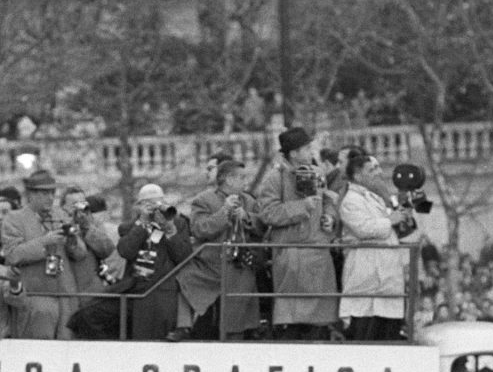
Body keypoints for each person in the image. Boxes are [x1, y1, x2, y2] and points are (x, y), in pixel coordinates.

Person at [255, 127, 340, 340]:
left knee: (320, 323)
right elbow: (267, 213)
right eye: (306, 148)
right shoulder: (274, 178)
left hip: (319, 253)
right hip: (292, 254)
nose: (311, 151)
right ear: (293, 153)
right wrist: (302, 207)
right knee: (292, 322)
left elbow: (328, 200)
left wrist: (330, 218)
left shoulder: (318, 172)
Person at [168, 160, 263, 341]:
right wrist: (224, 212)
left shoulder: (249, 201)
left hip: (240, 264)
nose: (246, 181)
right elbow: (199, 229)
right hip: (211, 263)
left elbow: (262, 226)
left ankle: (241, 335)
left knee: (240, 303)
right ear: (228, 179)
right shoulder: (203, 200)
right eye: (242, 177)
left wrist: (247, 217)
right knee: (186, 278)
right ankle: (183, 326)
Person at [1, 170, 86, 339]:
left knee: (66, 354)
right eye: (45, 193)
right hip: (35, 299)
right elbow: (12, 254)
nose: (50, 197)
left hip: (66, 298)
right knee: (37, 351)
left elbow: (80, 254)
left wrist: (72, 241)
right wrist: (44, 242)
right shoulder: (14, 219)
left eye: (52, 193)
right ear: (31, 194)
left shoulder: (62, 215)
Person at [338, 147, 410, 341]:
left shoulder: (377, 197)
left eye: (378, 168)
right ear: (358, 175)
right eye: (372, 170)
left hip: (386, 281)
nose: (379, 173)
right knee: (365, 336)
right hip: (366, 278)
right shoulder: (350, 200)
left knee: (388, 336)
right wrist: (390, 221)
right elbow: (363, 228)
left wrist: (403, 211)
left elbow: (404, 224)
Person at [117, 183, 192, 340]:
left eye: (158, 203)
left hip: (166, 290)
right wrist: (143, 224)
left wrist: (170, 231)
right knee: (141, 341)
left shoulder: (178, 223)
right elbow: (125, 251)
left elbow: (184, 257)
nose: (155, 208)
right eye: (149, 204)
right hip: (140, 289)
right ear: (139, 206)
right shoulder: (129, 227)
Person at [60, 187, 116, 299]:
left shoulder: (91, 225)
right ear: (63, 208)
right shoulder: (58, 225)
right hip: (68, 292)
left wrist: (87, 227)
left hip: (91, 291)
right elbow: (77, 252)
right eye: (74, 205)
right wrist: (70, 226)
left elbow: (108, 249)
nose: (79, 209)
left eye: (82, 204)